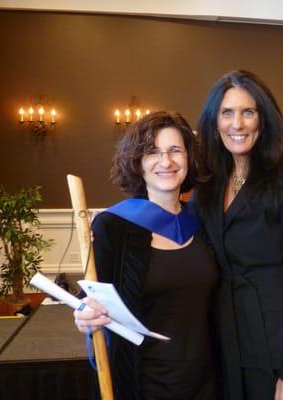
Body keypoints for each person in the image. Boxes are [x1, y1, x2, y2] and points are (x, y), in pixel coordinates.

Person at [196, 70, 283, 400]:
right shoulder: (207, 183)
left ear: (263, 119)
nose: (237, 124)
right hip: (221, 338)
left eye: (248, 112)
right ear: (214, 121)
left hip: (272, 342)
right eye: (227, 112)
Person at [73, 111, 218, 400]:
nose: (166, 161)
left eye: (175, 150)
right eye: (153, 152)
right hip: (144, 384)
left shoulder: (205, 221)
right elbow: (90, 299)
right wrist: (84, 314)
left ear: (188, 159)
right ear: (138, 163)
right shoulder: (114, 226)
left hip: (207, 382)